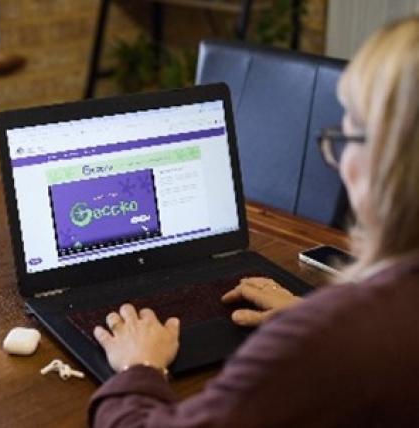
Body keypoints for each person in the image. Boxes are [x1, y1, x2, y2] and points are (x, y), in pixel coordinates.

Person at [89, 15, 419, 428]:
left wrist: (139, 367)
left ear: (391, 163)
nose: (337, 163)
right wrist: (308, 311)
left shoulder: (327, 341)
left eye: (348, 134)